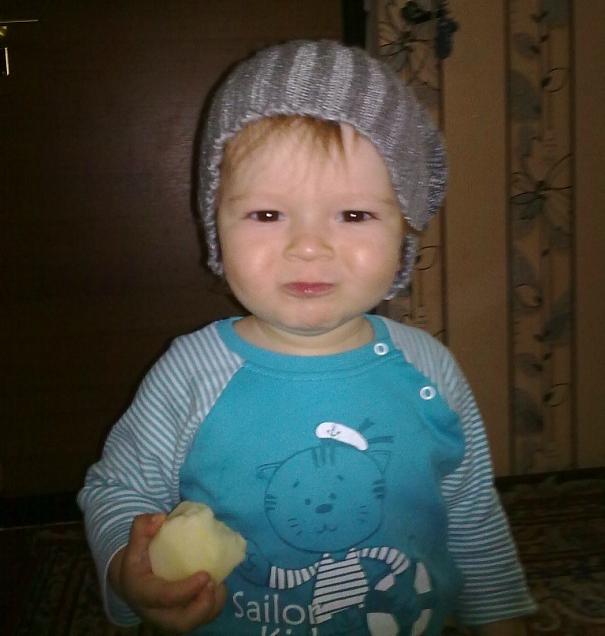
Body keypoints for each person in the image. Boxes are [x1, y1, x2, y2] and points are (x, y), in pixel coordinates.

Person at [78, 39, 536, 635]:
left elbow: (471, 512)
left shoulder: (429, 368)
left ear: (405, 229)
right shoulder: (191, 373)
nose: (309, 247)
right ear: (215, 223)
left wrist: (500, 616)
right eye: (267, 215)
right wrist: (127, 565)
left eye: (354, 215)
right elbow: (119, 488)